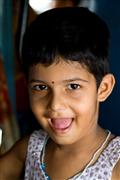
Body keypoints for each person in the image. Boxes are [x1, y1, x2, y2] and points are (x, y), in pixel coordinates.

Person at [0, 7, 120, 180]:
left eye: (73, 86)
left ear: (103, 88)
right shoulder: (32, 148)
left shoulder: (115, 165)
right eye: (41, 87)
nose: (55, 105)